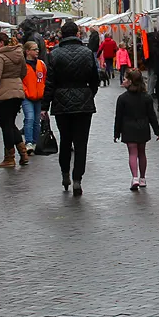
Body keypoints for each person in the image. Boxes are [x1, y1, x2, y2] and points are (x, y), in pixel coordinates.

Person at [45, 19, 100, 195]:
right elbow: (95, 79)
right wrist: (88, 93)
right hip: (83, 101)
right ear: (77, 34)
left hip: (61, 101)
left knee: (65, 140)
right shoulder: (87, 53)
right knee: (81, 142)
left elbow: (49, 83)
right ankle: (78, 178)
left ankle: (65, 172)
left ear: (62, 34)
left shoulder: (54, 54)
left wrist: (45, 105)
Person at [114, 69, 159, 191]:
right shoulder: (147, 98)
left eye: (124, 79)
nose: (123, 81)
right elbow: (152, 115)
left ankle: (134, 177)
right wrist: (157, 131)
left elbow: (118, 117)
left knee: (132, 153)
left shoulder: (122, 98)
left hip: (128, 128)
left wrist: (116, 132)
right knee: (142, 153)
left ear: (129, 82)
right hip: (143, 127)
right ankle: (143, 178)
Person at [0, 32, 29, 168]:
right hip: (17, 91)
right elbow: (24, 72)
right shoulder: (18, 54)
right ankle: (23, 153)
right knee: (11, 124)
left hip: (3, 94)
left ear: (1, 43)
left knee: (6, 125)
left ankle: (9, 157)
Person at [21, 41, 48, 156]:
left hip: (39, 97)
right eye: (34, 49)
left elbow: (45, 79)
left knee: (37, 121)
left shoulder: (41, 64)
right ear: (27, 51)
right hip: (27, 96)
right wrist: (25, 92)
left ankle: (36, 143)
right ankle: (29, 142)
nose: (37, 51)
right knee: (29, 118)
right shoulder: (22, 66)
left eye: (37, 49)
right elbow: (20, 80)